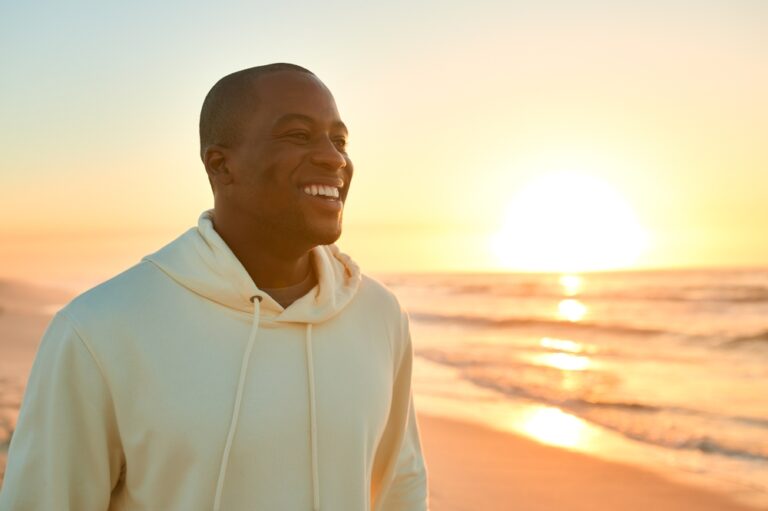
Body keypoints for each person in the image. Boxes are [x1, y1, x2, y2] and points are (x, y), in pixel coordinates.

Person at [0, 63, 429, 511]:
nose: (335, 158)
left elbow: (401, 487)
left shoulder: (380, 317)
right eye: (298, 135)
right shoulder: (99, 331)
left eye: (339, 140)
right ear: (221, 165)